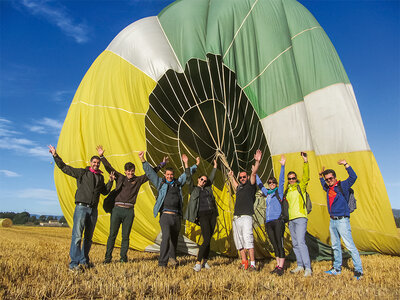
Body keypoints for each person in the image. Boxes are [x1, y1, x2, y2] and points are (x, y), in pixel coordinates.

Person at [48, 145, 114, 271]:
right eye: (94, 162)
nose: (96, 164)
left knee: (88, 238)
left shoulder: (100, 177)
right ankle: (74, 263)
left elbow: (104, 192)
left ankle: (84, 261)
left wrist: (110, 181)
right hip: (81, 208)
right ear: (90, 163)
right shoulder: (82, 173)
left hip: (93, 210)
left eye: (98, 163)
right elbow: (65, 168)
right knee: (77, 236)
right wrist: (55, 155)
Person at [96, 145, 166, 264]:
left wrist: (161, 164)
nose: (130, 173)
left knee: (125, 236)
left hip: (129, 211)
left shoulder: (138, 180)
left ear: (134, 171)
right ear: (125, 171)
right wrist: (102, 156)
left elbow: (150, 173)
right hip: (117, 209)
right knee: (112, 234)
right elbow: (109, 168)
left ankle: (123, 258)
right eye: (128, 171)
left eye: (132, 171)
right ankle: (108, 258)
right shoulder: (120, 178)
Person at [139, 151, 194, 268]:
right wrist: (143, 159)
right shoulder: (161, 183)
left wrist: (187, 163)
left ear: (173, 175)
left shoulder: (178, 184)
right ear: (165, 175)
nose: (169, 176)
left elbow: (187, 174)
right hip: (165, 216)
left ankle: (172, 258)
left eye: (171, 175)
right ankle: (162, 263)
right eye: (167, 174)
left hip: (176, 216)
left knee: (174, 238)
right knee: (166, 237)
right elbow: (150, 173)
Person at [319, 160, 363, 280]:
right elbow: (322, 183)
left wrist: (346, 164)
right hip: (332, 220)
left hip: (343, 220)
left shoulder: (342, 185)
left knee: (349, 246)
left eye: (330, 178)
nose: (329, 181)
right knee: (335, 246)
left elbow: (353, 177)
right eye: (327, 179)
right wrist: (320, 175)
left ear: (335, 177)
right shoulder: (328, 188)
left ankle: (359, 270)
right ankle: (337, 269)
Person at [228, 149, 262, 271]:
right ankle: (244, 263)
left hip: (246, 216)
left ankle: (252, 264)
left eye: (244, 177)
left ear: (247, 177)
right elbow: (235, 184)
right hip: (236, 217)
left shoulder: (250, 185)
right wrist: (231, 176)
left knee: (248, 239)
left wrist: (257, 162)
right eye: (240, 177)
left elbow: (254, 174)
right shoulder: (239, 188)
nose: (242, 178)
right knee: (239, 242)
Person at [184, 158, 218, 272]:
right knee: (206, 239)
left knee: (209, 239)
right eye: (201, 180)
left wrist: (215, 166)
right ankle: (198, 262)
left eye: (204, 181)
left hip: (212, 214)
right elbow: (188, 178)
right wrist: (186, 164)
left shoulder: (208, 188)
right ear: (198, 179)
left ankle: (205, 261)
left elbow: (212, 178)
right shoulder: (193, 189)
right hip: (202, 215)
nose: (203, 182)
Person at [256, 155, 286, 276]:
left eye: (273, 182)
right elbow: (259, 184)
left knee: (279, 242)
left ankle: (281, 267)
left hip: (278, 220)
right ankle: (278, 265)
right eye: (270, 183)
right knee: (274, 244)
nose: (271, 184)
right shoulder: (267, 193)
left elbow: (282, 179)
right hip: (269, 221)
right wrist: (255, 172)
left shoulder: (279, 191)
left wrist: (282, 166)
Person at [286, 152, 312, 277]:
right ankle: (300, 265)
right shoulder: (287, 190)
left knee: (301, 242)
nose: (291, 180)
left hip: (301, 217)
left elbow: (306, 177)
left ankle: (308, 268)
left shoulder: (300, 187)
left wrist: (305, 162)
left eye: (293, 178)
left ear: (296, 179)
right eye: (289, 178)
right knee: (295, 244)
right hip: (291, 220)